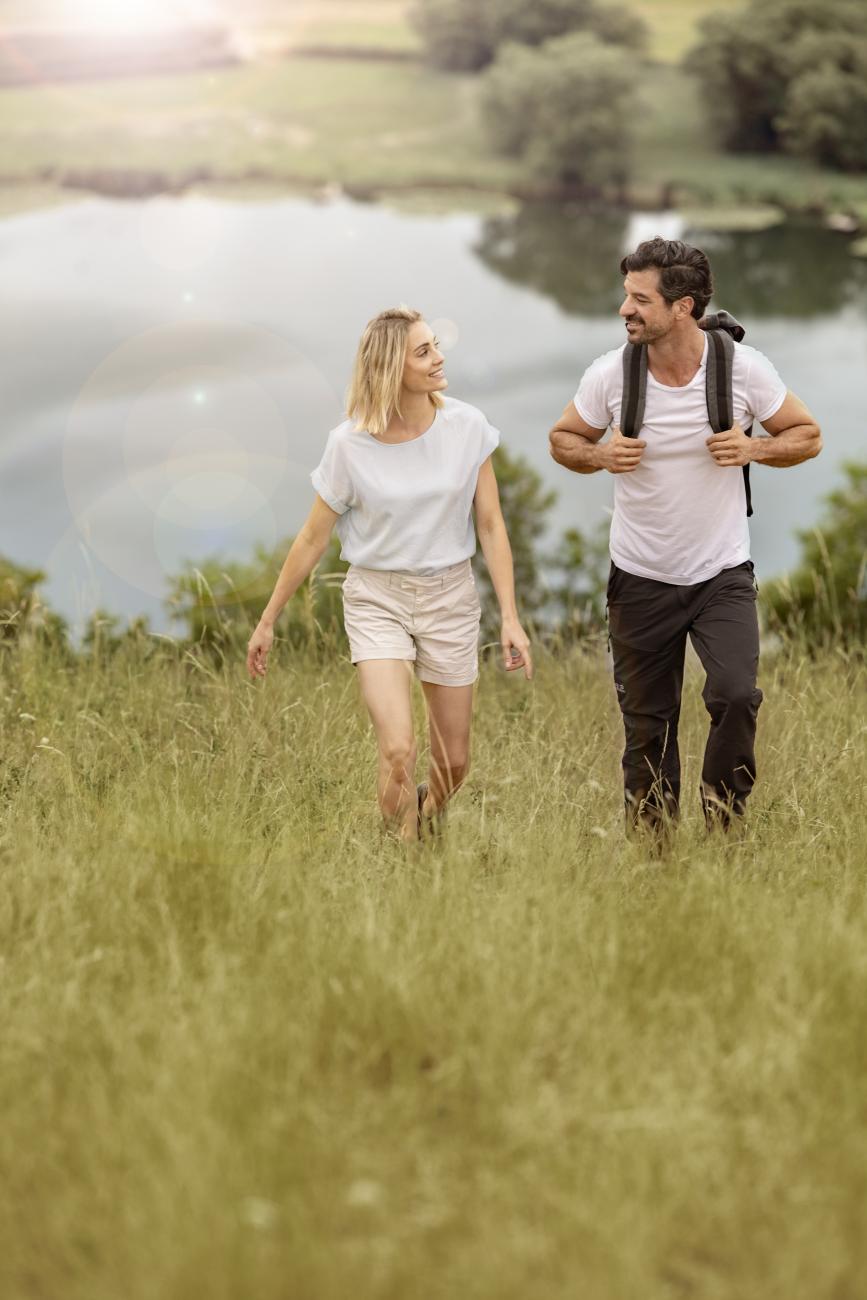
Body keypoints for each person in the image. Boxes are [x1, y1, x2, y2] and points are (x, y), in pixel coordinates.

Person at [549, 237, 822, 834]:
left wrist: (754, 447)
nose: (626, 310)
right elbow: (562, 440)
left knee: (734, 696)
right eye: (627, 296)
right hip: (639, 578)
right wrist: (599, 456)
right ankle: (655, 858)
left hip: (721, 574)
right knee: (649, 727)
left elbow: (807, 435)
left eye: (640, 300)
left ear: (683, 307)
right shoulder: (610, 375)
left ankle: (725, 822)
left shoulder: (743, 370)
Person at [247, 306, 532, 842]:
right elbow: (313, 538)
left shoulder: (466, 427)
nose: (439, 357)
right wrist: (267, 621)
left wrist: (510, 617)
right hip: (377, 599)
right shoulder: (348, 445)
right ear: (389, 368)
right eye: (424, 351)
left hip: (450, 596)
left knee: (454, 763)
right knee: (398, 748)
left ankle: (423, 822)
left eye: (435, 346)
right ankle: (402, 855)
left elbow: (491, 525)